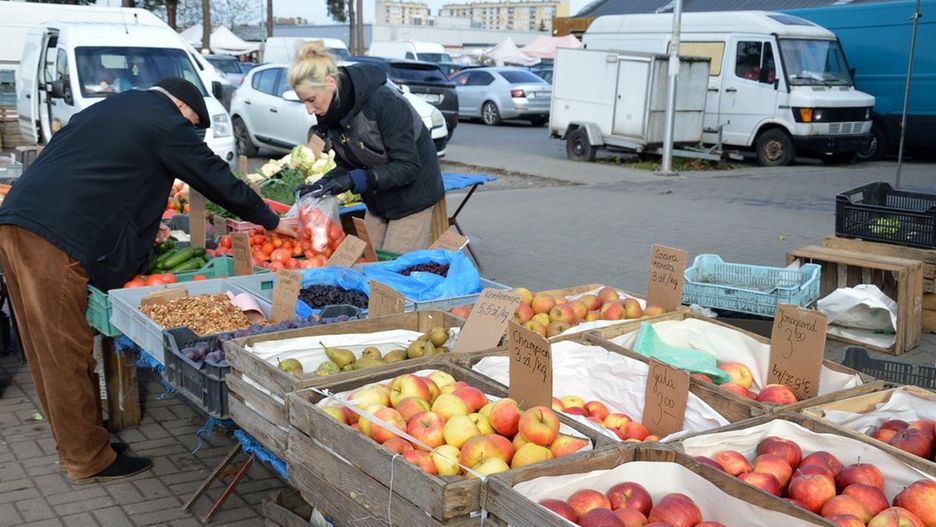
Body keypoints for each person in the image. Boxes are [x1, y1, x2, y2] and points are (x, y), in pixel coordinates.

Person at [0, 77, 293, 484]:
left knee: (43, 348)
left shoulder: (113, 107)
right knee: (62, 354)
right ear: (184, 109)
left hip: (19, 222)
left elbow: (101, 177)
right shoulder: (165, 123)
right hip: (53, 239)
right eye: (193, 125)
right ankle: (86, 459)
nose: (191, 133)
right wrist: (273, 219)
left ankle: (85, 442)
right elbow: (213, 177)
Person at [290, 42, 444, 253]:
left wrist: (358, 179)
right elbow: (347, 163)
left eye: (311, 100)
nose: (309, 110)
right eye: (303, 102)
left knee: (390, 269)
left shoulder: (384, 103)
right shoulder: (331, 113)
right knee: (365, 260)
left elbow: (408, 166)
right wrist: (323, 184)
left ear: (331, 82)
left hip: (413, 197)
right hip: (379, 198)